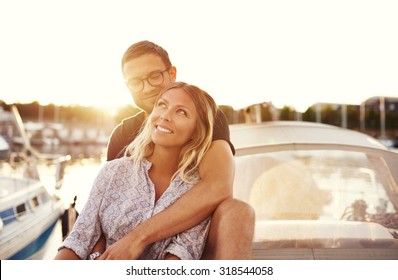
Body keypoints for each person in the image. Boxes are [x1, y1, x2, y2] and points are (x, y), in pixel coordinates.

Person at [101, 40, 254, 259]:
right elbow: (103, 206)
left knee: (238, 212)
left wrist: (138, 238)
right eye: (135, 81)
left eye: (154, 76)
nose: (146, 88)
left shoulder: (206, 120)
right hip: (125, 252)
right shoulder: (121, 135)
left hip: (192, 245)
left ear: (172, 73)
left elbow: (218, 187)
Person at [55, 82, 217, 260]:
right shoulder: (113, 171)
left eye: (181, 112)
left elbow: (181, 256)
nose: (165, 116)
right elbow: (78, 240)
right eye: (162, 105)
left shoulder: (197, 193)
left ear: (196, 130)